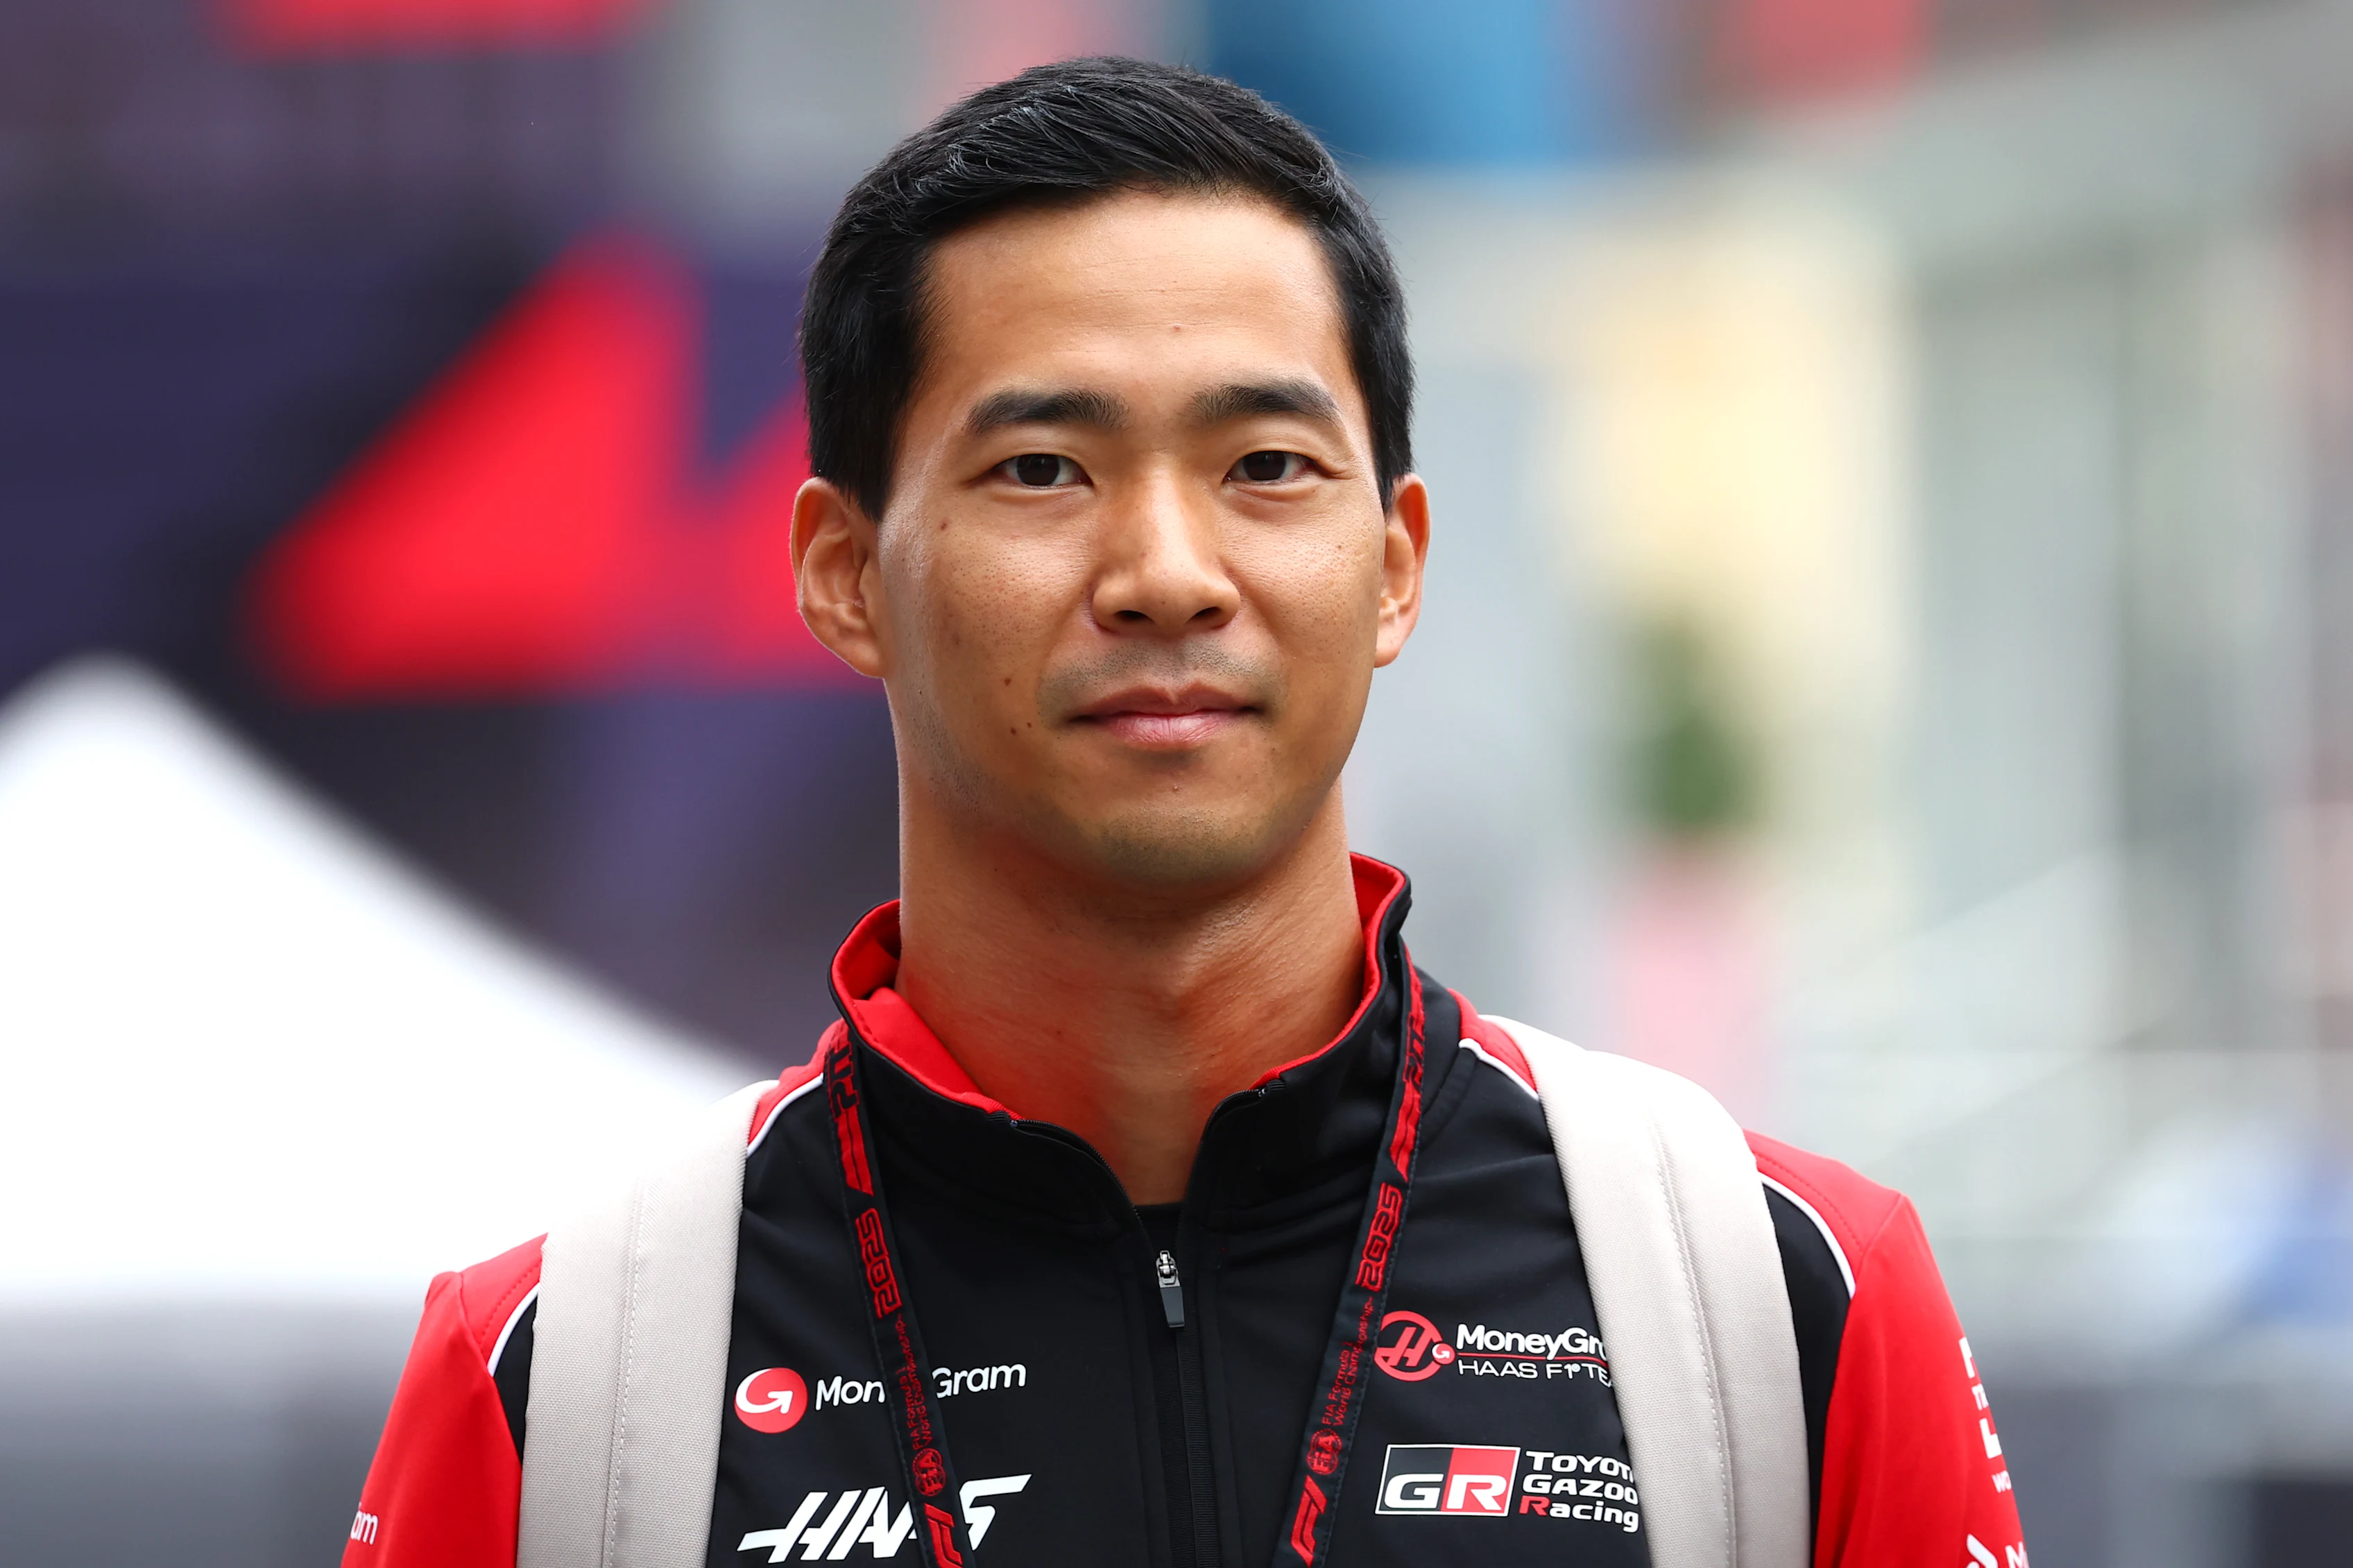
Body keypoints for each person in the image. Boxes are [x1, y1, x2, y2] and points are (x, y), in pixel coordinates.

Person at [342, 58, 2027, 1568]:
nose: (1164, 572)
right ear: (844, 575)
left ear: (1395, 566)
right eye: (1042, 470)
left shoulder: (1775, 1295)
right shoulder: (563, 1374)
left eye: (1267, 467)